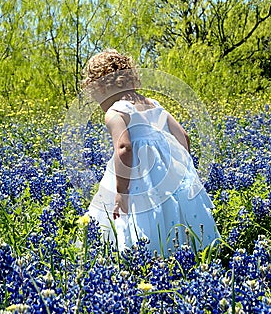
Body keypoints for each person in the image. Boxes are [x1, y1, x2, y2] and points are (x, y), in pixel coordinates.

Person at [81, 49, 220, 257]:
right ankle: (185, 259)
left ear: (102, 87)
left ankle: (140, 262)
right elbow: (183, 136)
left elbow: (124, 148)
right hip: (167, 173)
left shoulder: (115, 112)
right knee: (175, 214)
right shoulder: (154, 104)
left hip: (136, 176)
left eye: (95, 96)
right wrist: (182, 171)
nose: (98, 104)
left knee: (139, 218)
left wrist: (121, 192)